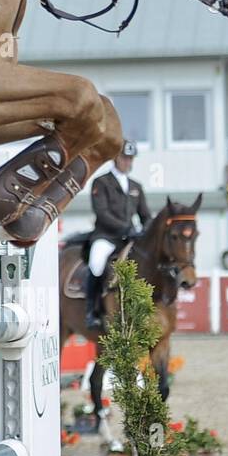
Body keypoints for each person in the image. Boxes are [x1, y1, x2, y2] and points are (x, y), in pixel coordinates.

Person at [85, 140, 150, 327]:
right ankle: (92, 311)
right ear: (115, 158)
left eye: (131, 159)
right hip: (106, 237)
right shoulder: (101, 182)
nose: (128, 162)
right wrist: (126, 228)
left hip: (130, 239)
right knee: (96, 263)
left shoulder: (136, 186)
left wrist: (148, 229)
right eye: (125, 158)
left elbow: (145, 215)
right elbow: (102, 213)